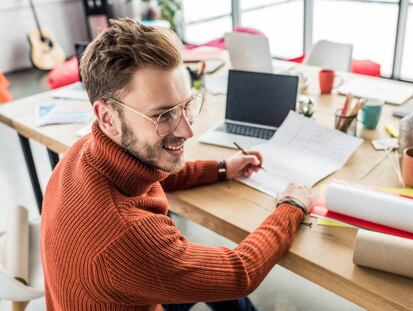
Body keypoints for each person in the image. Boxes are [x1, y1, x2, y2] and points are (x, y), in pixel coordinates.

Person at [40, 18, 312, 311]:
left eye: (186, 105)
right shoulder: (129, 237)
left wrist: (223, 168)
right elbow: (240, 272)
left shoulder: (84, 151)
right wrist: (292, 206)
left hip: (115, 294)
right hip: (131, 281)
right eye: (164, 115)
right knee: (225, 279)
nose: (187, 130)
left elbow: (152, 174)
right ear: (107, 117)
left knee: (209, 273)